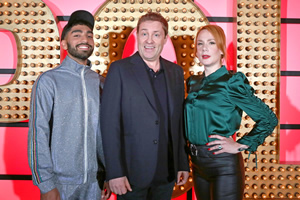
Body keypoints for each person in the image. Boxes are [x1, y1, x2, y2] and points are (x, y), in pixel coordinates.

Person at [100, 12, 190, 200]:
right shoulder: (119, 70)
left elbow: (178, 123)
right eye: (144, 33)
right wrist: (114, 171)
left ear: (165, 39)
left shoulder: (175, 72)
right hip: (131, 175)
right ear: (137, 36)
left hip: (166, 174)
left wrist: (182, 164)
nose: (149, 40)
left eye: (156, 34)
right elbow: (109, 125)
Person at [184, 24, 278, 200]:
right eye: (200, 43)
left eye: (211, 43)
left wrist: (241, 144)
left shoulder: (232, 82)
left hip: (224, 166)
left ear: (221, 50)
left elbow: (268, 119)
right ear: (196, 51)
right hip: (197, 165)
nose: (204, 48)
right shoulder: (192, 83)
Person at [28, 10, 110, 200]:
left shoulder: (101, 82)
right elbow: (38, 133)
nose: (85, 38)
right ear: (64, 43)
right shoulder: (49, 81)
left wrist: (107, 174)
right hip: (59, 184)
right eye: (77, 34)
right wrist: (46, 184)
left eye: (89, 35)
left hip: (94, 184)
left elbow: (104, 133)